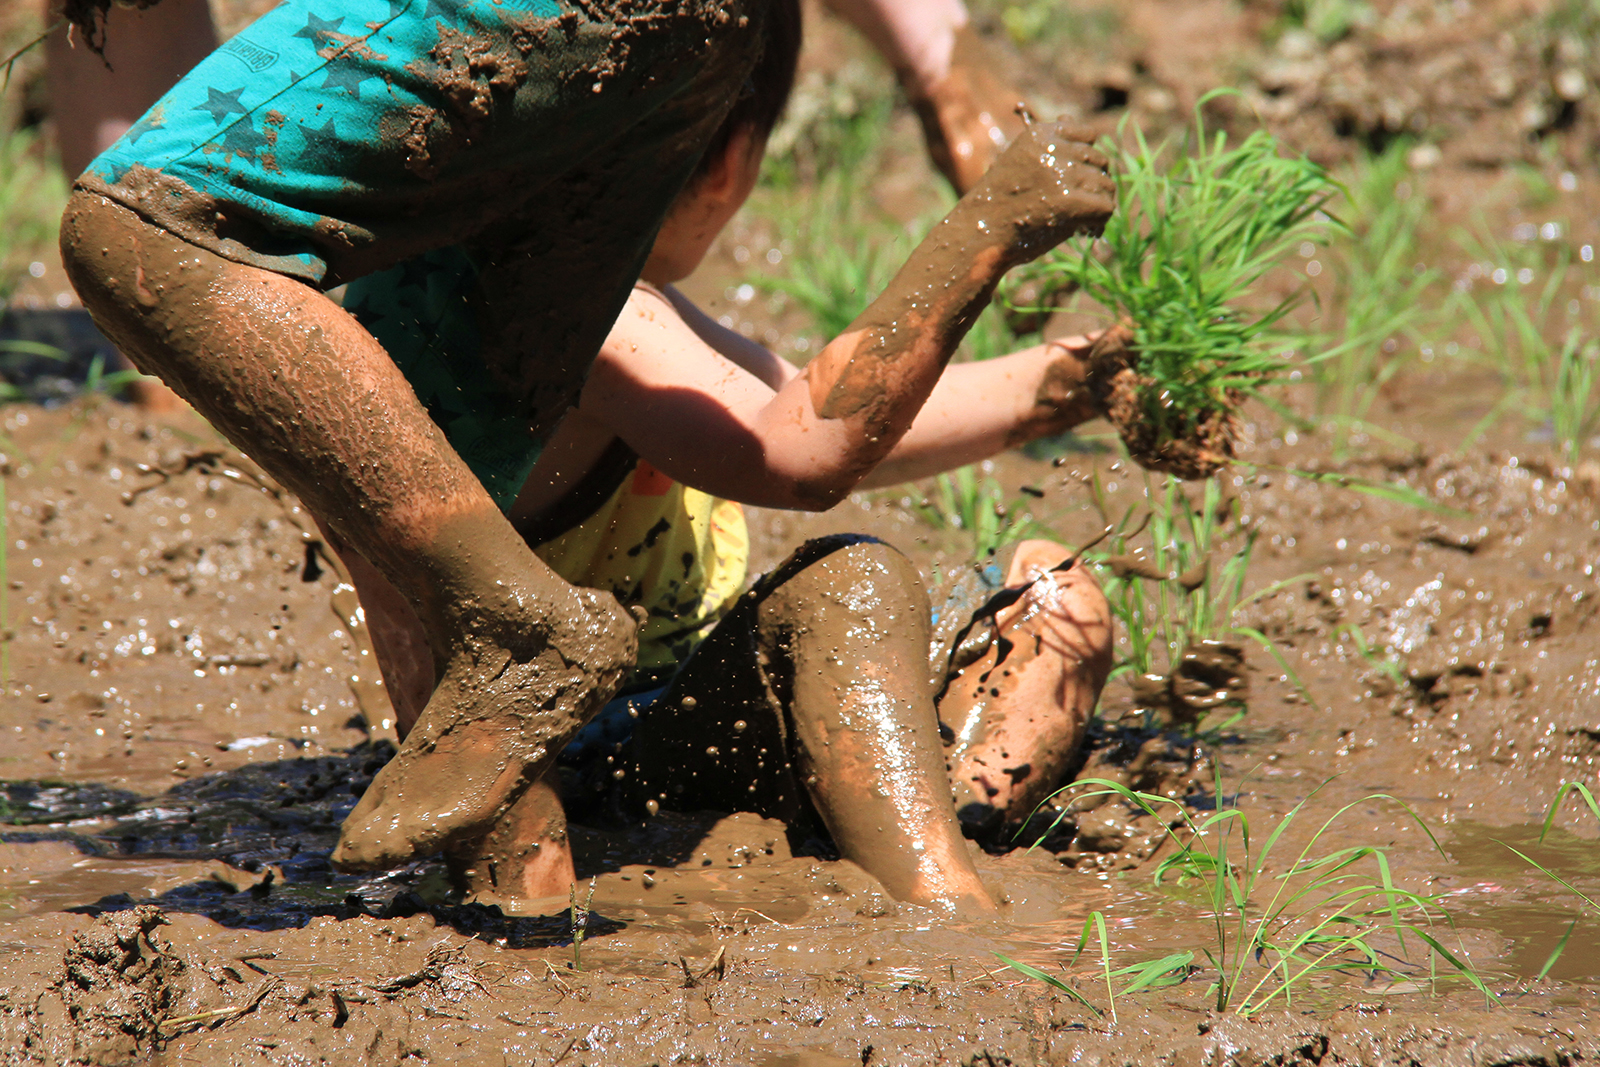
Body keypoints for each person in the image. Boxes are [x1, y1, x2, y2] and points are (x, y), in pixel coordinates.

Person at [60, 0, 1114, 879]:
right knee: (868, 588)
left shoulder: (410, 316)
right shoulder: (615, 324)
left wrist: (1056, 384)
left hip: (679, 722)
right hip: (630, 741)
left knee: (1029, 578)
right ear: (726, 161)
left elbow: (798, 410)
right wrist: (986, 243)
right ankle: (945, 884)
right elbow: (805, 446)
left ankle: (891, 816)